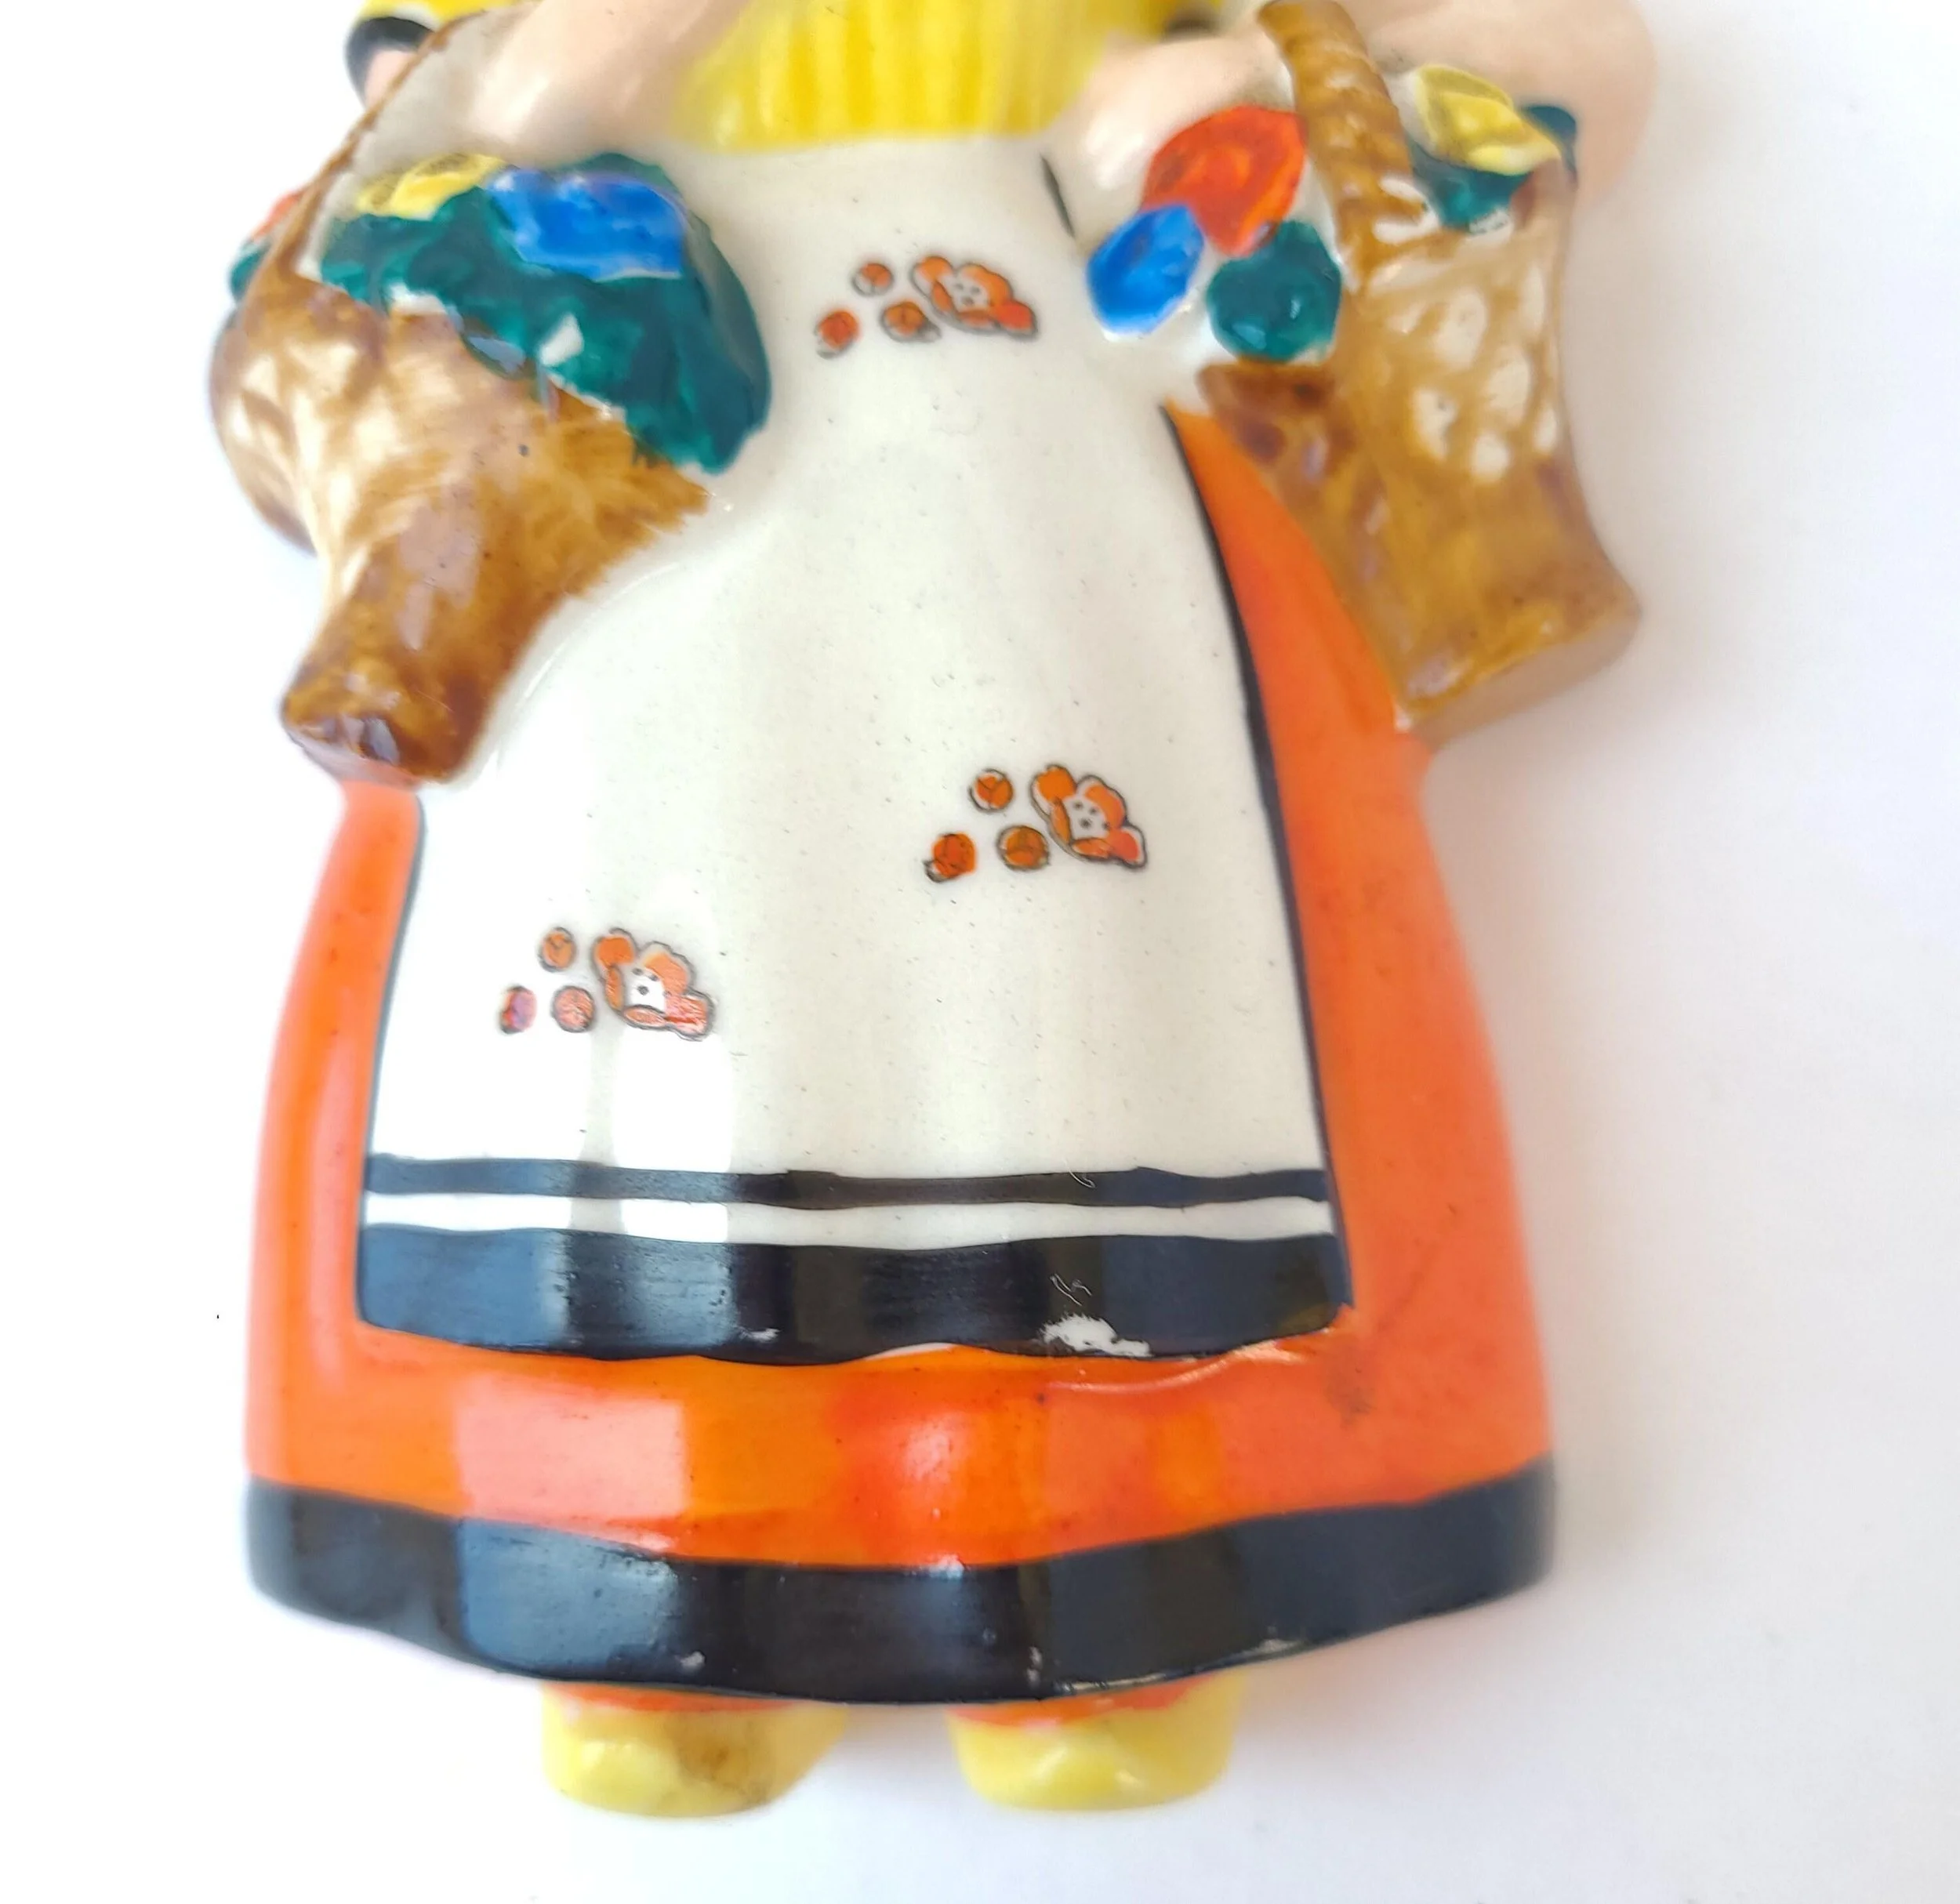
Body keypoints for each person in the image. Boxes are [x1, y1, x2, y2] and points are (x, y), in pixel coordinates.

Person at [223, 0, 1653, 1812]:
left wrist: (1237, 87)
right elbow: (420, 122)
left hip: (1043, 421)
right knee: (663, 1013)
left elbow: (1559, 54)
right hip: (655, 459)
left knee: (1075, 994)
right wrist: (565, 70)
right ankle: (638, 1582)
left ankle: (1115, 1585)